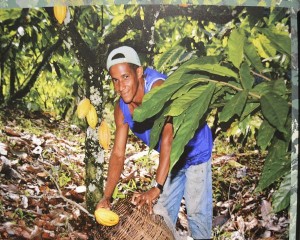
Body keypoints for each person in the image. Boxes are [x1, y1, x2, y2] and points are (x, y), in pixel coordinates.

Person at [96, 46, 213, 240]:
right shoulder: (122, 109)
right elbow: (118, 154)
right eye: (115, 80)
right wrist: (106, 196)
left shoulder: (158, 88)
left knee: (196, 216)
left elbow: (168, 136)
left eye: (125, 77)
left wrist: (156, 187)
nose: (120, 86)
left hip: (195, 150)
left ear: (139, 72)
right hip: (172, 161)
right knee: (159, 214)